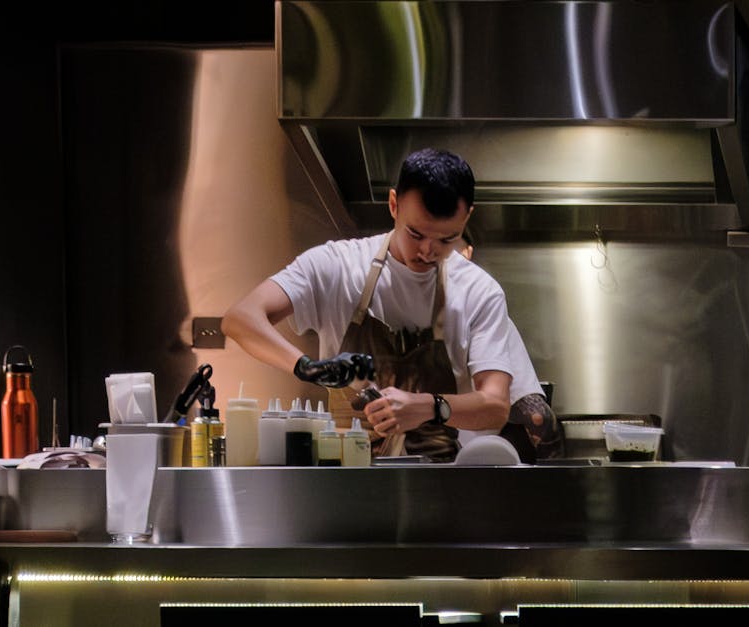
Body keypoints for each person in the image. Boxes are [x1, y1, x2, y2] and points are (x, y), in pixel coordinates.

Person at [222, 148, 514, 462]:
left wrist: (430, 406)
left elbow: (496, 407)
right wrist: (306, 367)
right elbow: (240, 319)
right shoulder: (336, 265)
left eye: (446, 239)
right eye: (415, 234)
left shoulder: (479, 291)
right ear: (394, 205)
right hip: (347, 475)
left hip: (436, 480)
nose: (428, 251)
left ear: (467, 216)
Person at [457, 231, 561, 461]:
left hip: (469, 460)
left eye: (447, 244)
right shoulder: (483, 311)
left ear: (467, 254)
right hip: (475, 461)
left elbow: (536, 416)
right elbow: (539, 418)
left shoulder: (485, 310)